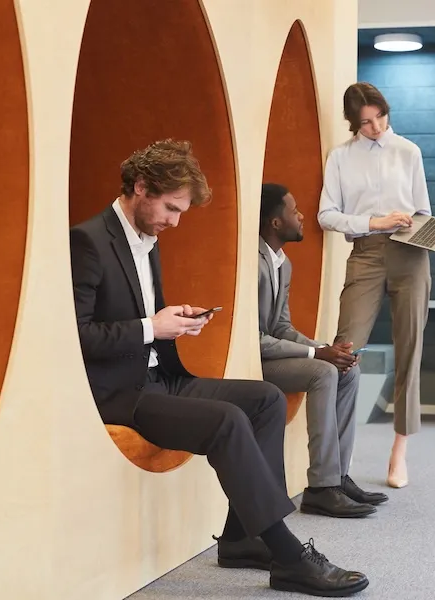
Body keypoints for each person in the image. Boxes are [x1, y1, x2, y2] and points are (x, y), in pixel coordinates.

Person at [69, 139, 368, 597]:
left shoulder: (146, 239)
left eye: (181, 212)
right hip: (119, 392)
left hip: (162, 378)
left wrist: (176, 321)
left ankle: (241, 538)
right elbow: (78, 335)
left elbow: (141, 315)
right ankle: (288, 556)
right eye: (171, 208)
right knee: (227, 420)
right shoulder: (88, 240)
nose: (175, 221)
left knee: (265, 399)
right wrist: (152, 327)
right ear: (141, 187)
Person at [317, 82, 435, 489]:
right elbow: (326, 214)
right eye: (366, 122)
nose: (377, 126)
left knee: (410, 348)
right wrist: (372, 223)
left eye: (380, 116)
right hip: (365, 252)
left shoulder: (408, 151)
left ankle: (399, 453)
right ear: (353, 123)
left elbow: (423, 213)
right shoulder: (341, 158)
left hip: (412, 254)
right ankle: (334, 460)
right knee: (343, 350)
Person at [258, 182, 388, 518]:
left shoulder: (282, 264)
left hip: (276, 353)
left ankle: (338, 478)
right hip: (251, 362)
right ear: (275, 222)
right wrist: (318, 356)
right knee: (323, 371)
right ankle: (320, 487)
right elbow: (255, 339)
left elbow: (281, 327)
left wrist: (326, 347)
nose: (302, 216)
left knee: (346, 368)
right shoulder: (253, 264)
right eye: (293, 210)